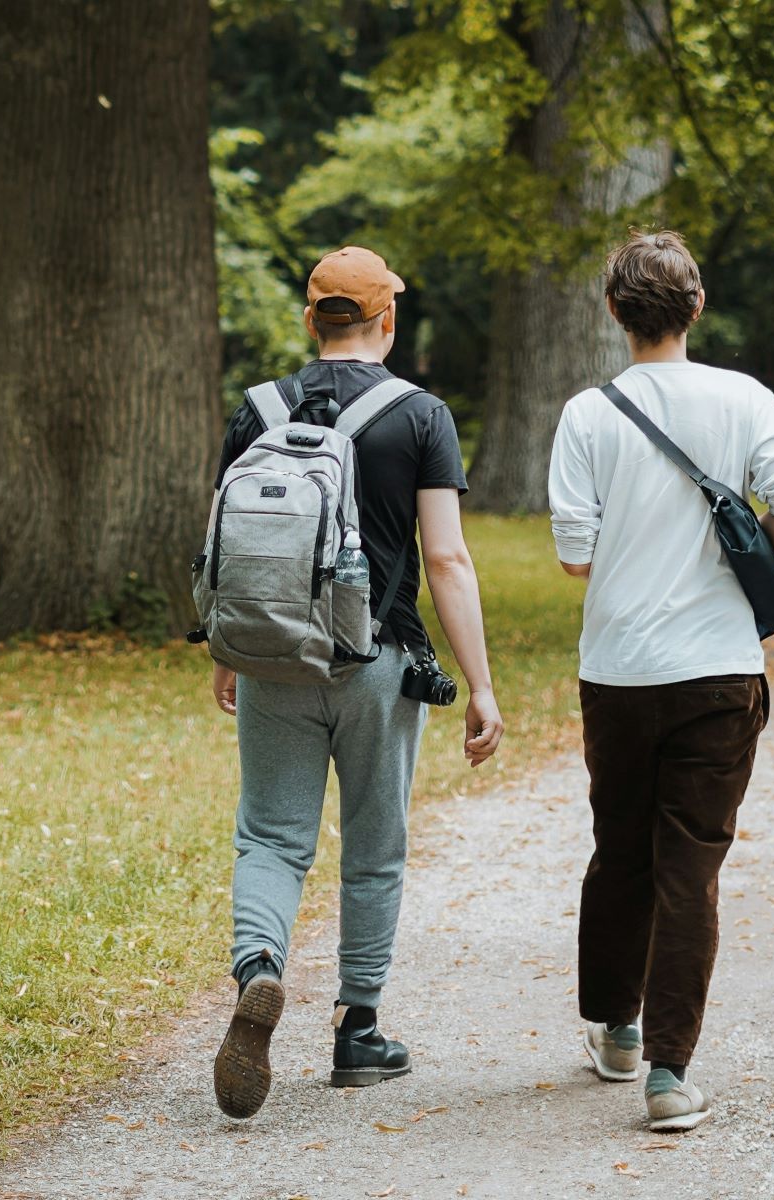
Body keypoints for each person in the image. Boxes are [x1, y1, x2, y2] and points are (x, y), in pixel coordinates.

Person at [210, 246, 504, 1120]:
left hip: (273, 657)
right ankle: (356, 1031)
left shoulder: (256, 408)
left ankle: (260, 969)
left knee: (269, 837)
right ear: (386, 321)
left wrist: (227, 652)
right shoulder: (418, 415)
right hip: (376, 661)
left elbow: (235, 550)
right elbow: (444, 558)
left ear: (310, 320)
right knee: (373, 846)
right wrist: (481, 685)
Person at [548, 230, 774, 1132]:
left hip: (619, 670)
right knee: (688, 871)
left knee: (618, 850)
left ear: (615, 313)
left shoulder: (588, 414)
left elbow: (575, 557)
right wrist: (735, 550)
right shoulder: (746, 399)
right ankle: (669, 1076)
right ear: (695, 307)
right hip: (718, 672)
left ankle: (616, 1032)